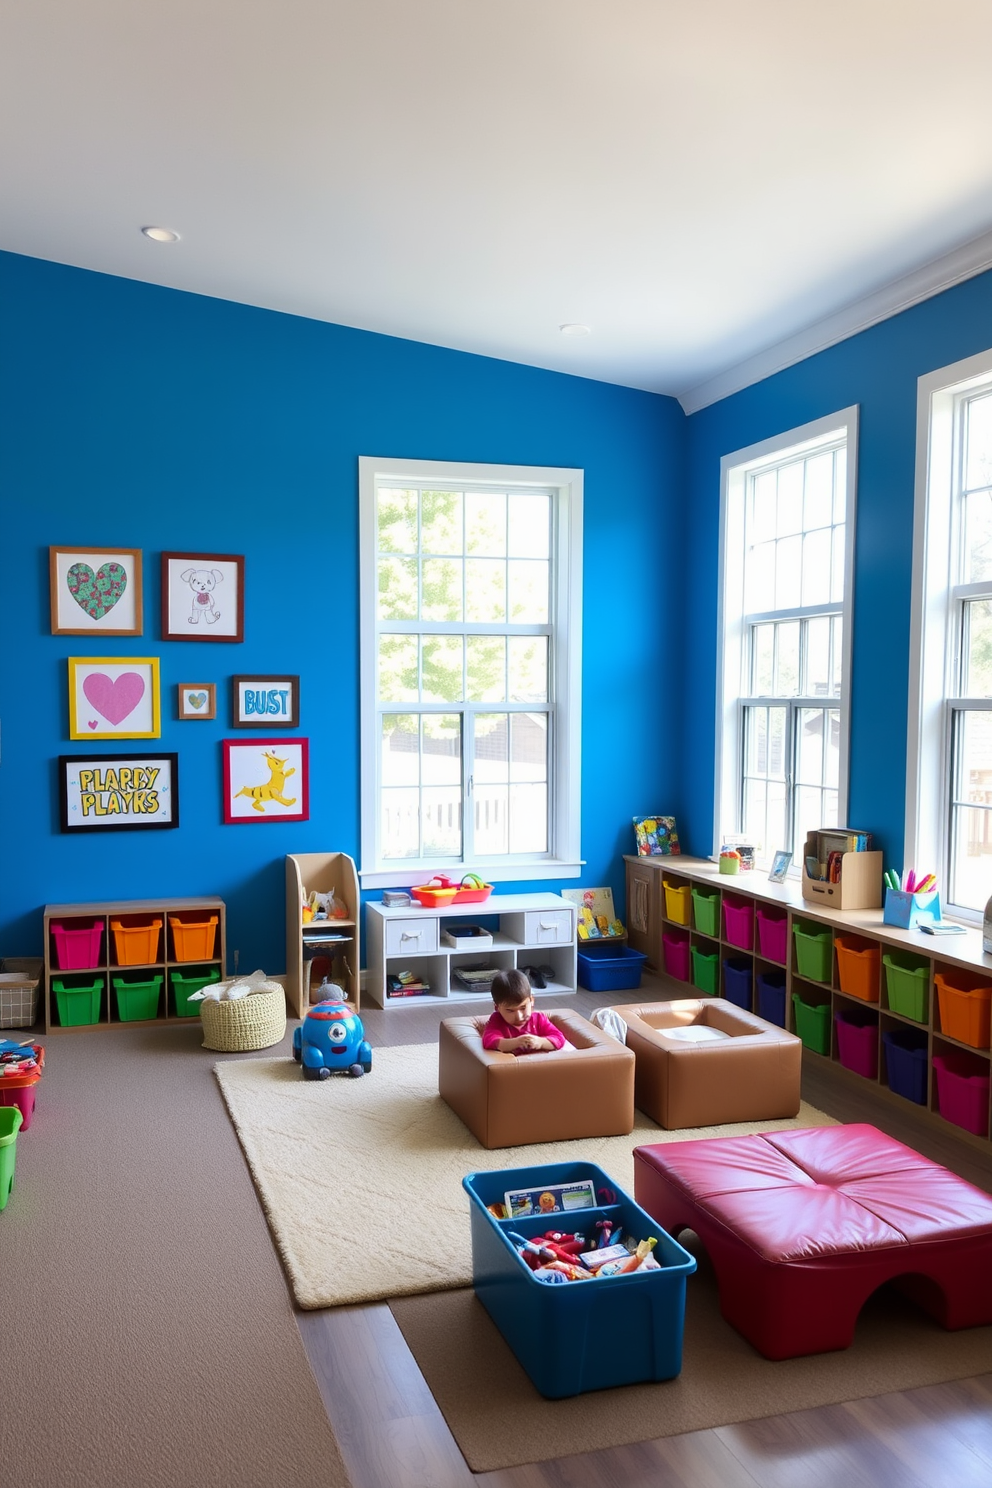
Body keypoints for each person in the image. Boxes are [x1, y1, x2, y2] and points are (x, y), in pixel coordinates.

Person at [481, 968, 566, 1055]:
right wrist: (517, 1042)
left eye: (523, 1008)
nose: (519, 1016)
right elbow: (488, 1041)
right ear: (497, 1008)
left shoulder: (539, 1019)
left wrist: (541, 1042)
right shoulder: (497, 1020)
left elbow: (559, 1039)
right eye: (510, 1011)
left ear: (531, 1000)